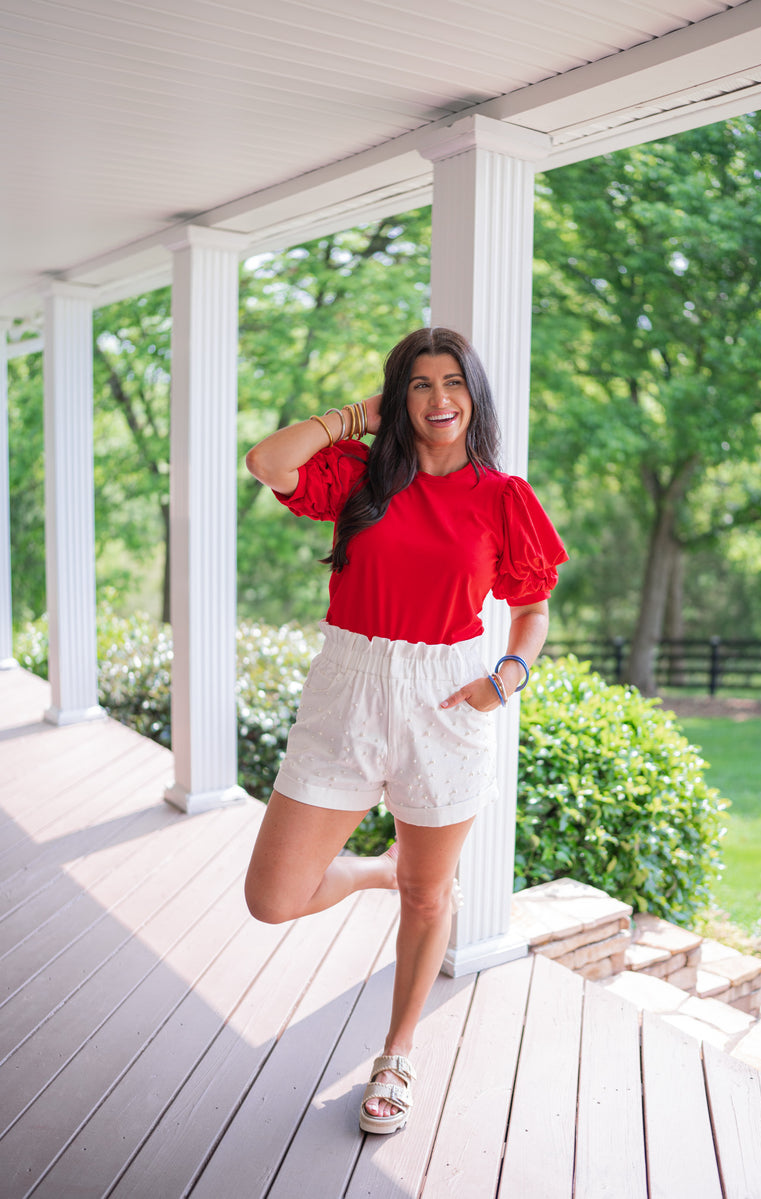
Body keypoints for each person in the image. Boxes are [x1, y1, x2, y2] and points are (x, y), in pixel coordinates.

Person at [243, 326, 567, 1135]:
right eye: (418, 384)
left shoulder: (504, 498)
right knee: (272, 896)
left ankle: (397, 1052)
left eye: (452, 381)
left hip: (446, 701)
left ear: (474, 394)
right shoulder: (359, 476)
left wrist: (509, 676)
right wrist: (356, 414)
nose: (438, 399)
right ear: (399, 398)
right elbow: (267, 461)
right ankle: (376, 871)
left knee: (431, 894)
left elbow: (530, 609)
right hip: (346, 691)